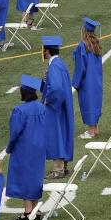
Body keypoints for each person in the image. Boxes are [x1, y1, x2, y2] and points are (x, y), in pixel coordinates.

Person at [6, 75, 48, 220]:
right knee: (35, 177)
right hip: (39, 147)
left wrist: (10, 147)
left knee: (25, 178)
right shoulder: (42, 108)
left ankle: (28, 211)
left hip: (24, 148)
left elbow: (15, 132)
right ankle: (36, 209)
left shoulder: (20, 110)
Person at [42, 35, 74, 179]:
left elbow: (56, 88)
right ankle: (63, 166)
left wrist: (48, 100)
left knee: (56, 136)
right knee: (62, 133)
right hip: (63, 106)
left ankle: (58, 169)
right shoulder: (60, 64)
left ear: (47, 51)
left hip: (56, 108)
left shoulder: (54, 66)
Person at [73, 18, 104, 140]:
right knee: (95, 102)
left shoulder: (83, 46)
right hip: (96, 80)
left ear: (84, 31)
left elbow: (81, 67)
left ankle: (91, 131)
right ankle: (95, 128)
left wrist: (76, 83)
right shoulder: (96, 44)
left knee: (88, 103)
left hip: (87, 81)